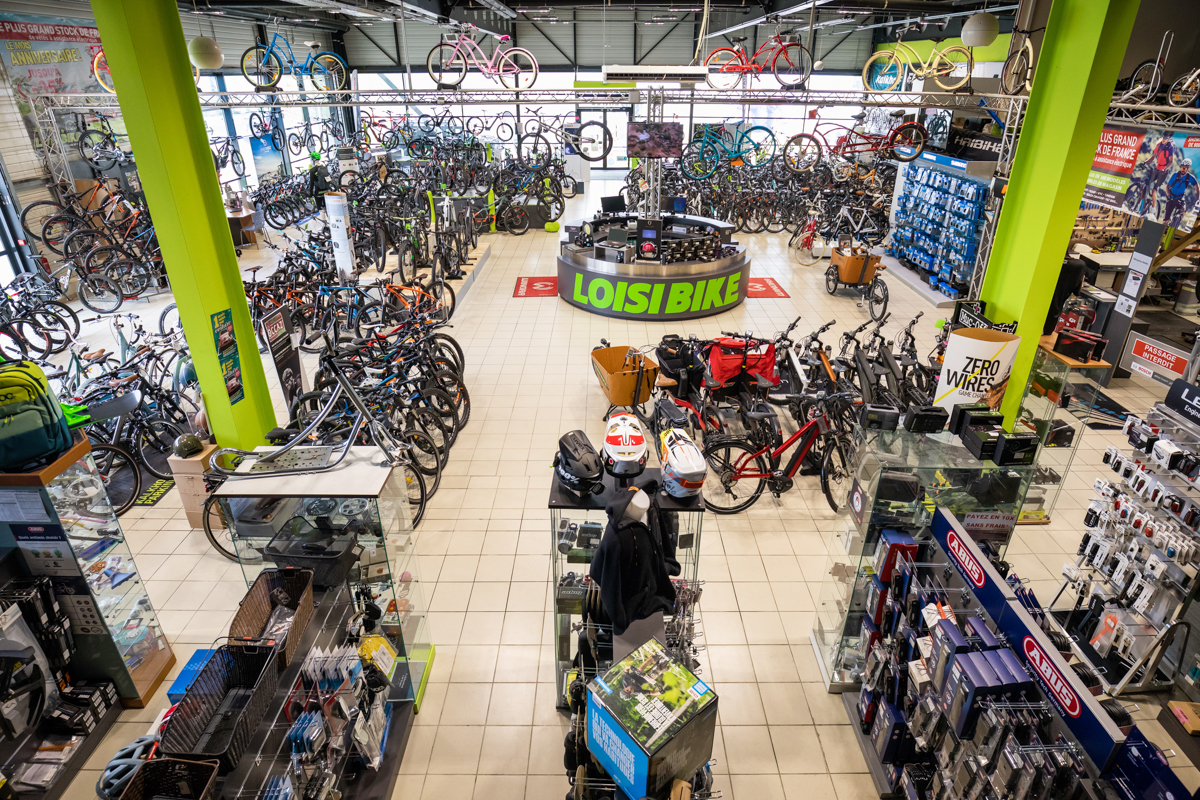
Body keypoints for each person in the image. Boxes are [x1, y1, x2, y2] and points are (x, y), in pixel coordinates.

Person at [1043, 240, 1088, 336]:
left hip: (1029, 317)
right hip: (1049, 323)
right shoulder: (1079, 266)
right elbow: (1077, 292)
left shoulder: (1045, 262)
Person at [1162, 157, 1200, 228]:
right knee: (1165, 221)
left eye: (1185, 168)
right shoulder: (1175, 175)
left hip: (1180, 198)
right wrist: (1169, 195)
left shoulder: (1190, 178)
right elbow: (1167, 187)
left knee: (1183, 211)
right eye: (1182, 167)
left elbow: (1197, 187)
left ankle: (1176, 223)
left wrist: (1198, 199)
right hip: (1172, 198)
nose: (1183, 169)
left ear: (1188, 169)